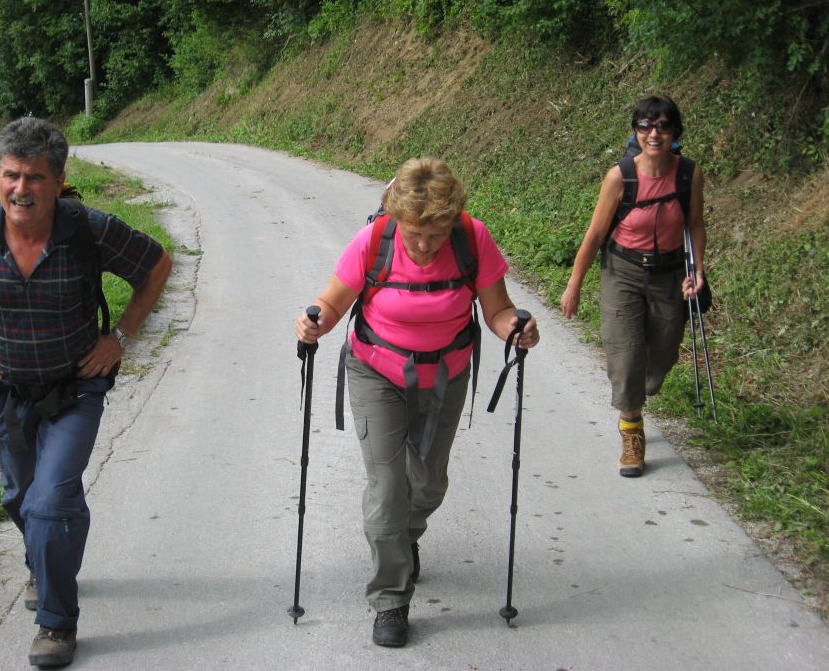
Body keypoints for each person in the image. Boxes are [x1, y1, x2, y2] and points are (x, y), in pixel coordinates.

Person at [0, 117, 172, 666]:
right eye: (11, 176)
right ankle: (43, 558)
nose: (20, 189)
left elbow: (156, 265)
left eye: (34, 178)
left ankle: (56, 623)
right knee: (21, 497)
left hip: (74, 389)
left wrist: (119, 337)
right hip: (2, 393)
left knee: (51, 502)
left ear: (58, 179)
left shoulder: (87, 229)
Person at [295, 157, 539, 648]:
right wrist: (315, 321)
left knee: (427, 483)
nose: (425, 246)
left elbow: (497, 309)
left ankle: (407, 538)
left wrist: (516, 329)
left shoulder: (472, 239)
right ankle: (391, 598)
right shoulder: (375, 241)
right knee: (388, 488)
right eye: (415, 235)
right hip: (376, 371)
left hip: (445, 374)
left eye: (436, 234)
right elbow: (335, 300)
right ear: (395, 219)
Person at [560, 95, 707, 477]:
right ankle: (631, 431)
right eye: (645, 126)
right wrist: (574, 285)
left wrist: (699, 270)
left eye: (661, 126)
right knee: (625, 355)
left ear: (674, 132)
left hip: (670, 273)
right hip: (623, 271)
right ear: (635, 131)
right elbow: (594, 235)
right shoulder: (620, 176)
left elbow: (695, 224)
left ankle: (635, 394)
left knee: (660, 357)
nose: (653, 133)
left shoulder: (689, 174)